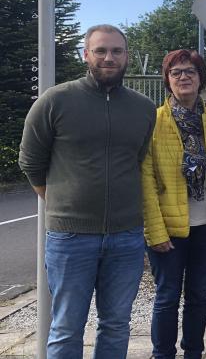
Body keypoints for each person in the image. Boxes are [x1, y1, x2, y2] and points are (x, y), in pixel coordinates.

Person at [18, 24, 156, 358]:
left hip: (126, 236)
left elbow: (135, 157)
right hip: (70, 238)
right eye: (101, 51)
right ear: (86, 55)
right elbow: (30, 161)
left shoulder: (143, 108)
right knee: (66, 328)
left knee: (117, 324)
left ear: (127, 57)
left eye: (117, 51)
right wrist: (60, 203)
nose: (109, 58)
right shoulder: (56, 101)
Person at [141, 49, 206, 359]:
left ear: (201, 78)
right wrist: (155, 230)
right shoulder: (153, 120)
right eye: (176, 72)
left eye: (190, 71)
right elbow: (145, 178)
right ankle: (162, 354)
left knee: (198, 295)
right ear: (167, 80)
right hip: (168, 226)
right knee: (166, 296)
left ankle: (194, 352)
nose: (184, 76)